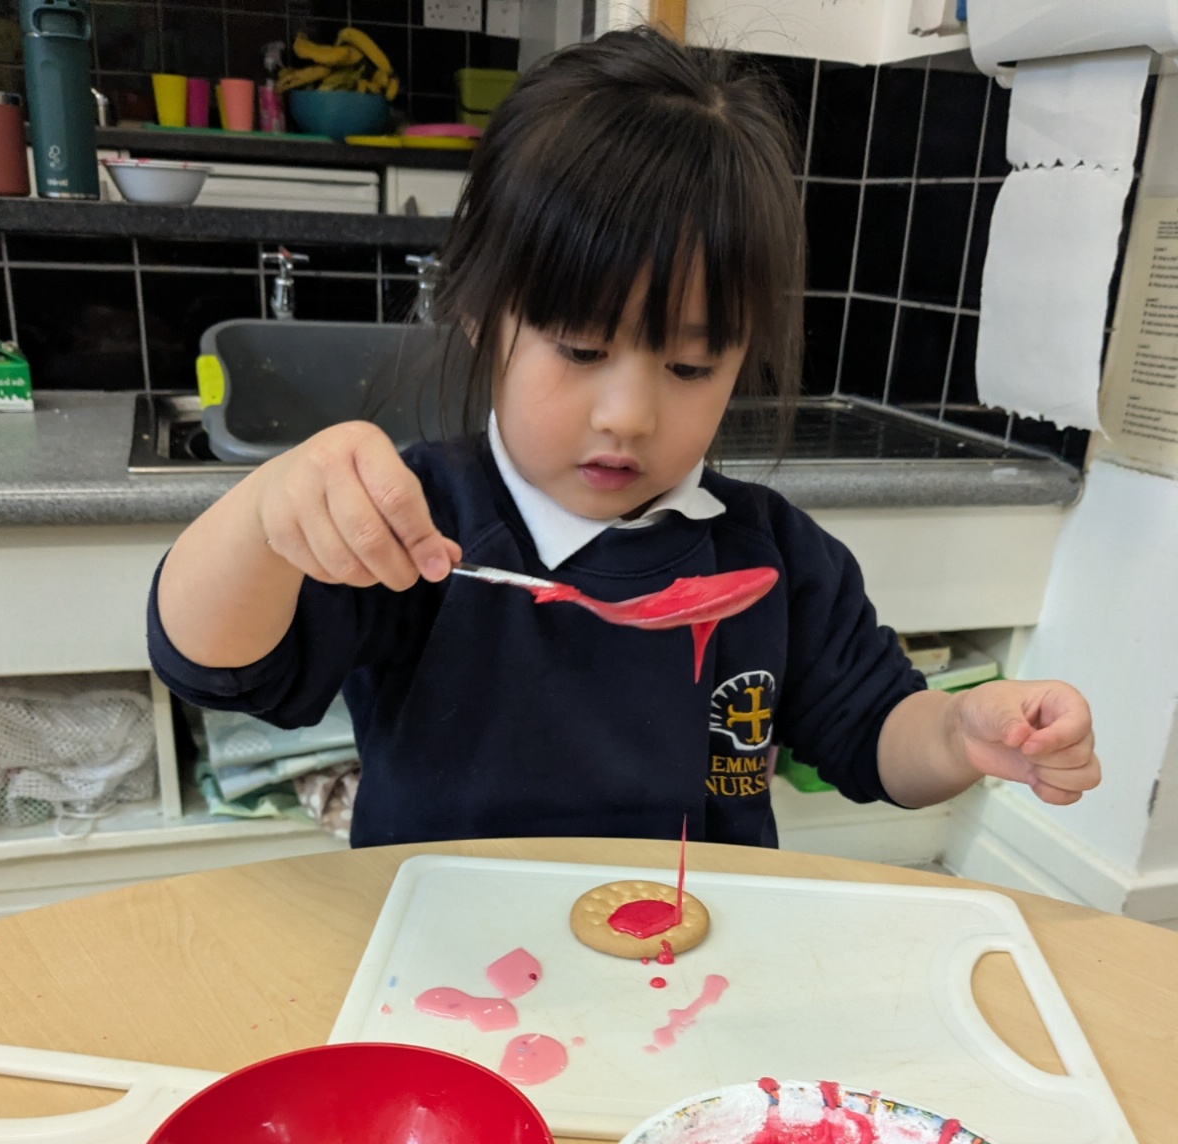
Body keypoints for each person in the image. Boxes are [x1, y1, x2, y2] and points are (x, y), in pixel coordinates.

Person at [149, 27, 1099, 850]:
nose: (628, 416)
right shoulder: (418, 528)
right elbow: (215, 666)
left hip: (692, 965)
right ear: (481, 311)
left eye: (690, 366)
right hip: (455, 959)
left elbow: (876, 734)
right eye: (580, 349)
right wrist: (265, 522)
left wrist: (963, 733)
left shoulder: (771, 559)